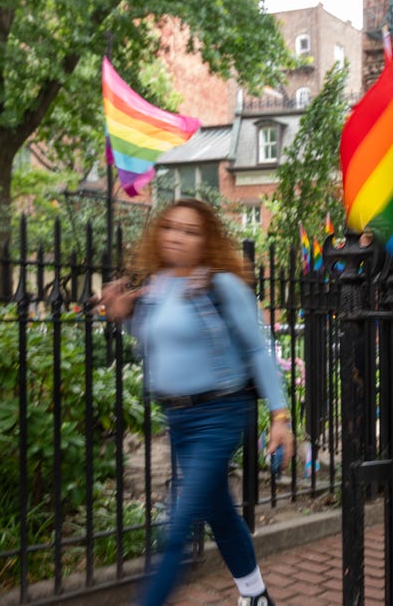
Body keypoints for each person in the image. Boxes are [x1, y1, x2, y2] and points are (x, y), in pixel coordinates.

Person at [95, 199, 294, 606]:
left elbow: (258, 350)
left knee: (179, 521)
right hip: (179, 417)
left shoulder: (222, 286)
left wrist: (280, 416)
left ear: (207, 240)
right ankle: (255, 596)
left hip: (220, 413)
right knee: (218, 511)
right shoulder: (158, 287)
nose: (178, 237)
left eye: (191, 231)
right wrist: (124, 314)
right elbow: (158, 344)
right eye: (171, 228)